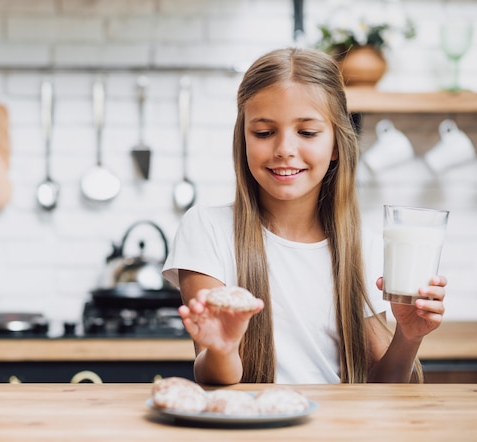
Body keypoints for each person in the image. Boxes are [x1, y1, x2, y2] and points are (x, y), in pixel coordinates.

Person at [162, 47, 447, 385]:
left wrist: (409, 336)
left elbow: (384, 388)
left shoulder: (363, 248)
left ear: (337, 145)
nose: (284, 149)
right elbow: (212, 375)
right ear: (243, 140)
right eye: (264, 133)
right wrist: (223, 351)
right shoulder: (207, 230)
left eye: (307, 133)